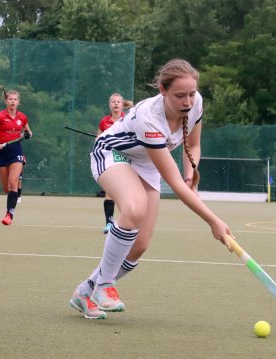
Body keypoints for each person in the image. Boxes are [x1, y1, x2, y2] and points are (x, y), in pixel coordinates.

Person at [69, 59, 234, 320]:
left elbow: (193, 144)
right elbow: (176, 185)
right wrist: (213, 221)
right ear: (162, 90)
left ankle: (85, 291)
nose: (188, 102)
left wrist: (191, 174)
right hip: (114, 153)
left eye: (191, 94)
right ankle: (104, 286)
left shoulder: (195, 103)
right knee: (134, 209)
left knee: (139, 245)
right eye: (180, 95)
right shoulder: (149, 118)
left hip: (147, 162)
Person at [0, 90, 33, 225]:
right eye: (10, 99)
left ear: (18, 102)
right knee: (7, 189)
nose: (12, 101)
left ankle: (9, 214)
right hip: (1, 153)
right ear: (6, 101)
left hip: (16, 151)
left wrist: (27, 135)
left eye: (15, 99)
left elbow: (29, 132)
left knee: (12, 183)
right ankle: (16, 192)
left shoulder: (22, 117)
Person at [96, 93, 134, 234]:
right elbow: (98, 139)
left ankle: (127, 221)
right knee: (110, 191)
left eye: (118, 101)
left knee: (126, 191)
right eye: (113, 101)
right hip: (110, 159)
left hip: (126, 157)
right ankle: (109, 223)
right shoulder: (104, 122)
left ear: (122, 104)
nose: (116, 104)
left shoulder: (127, 119)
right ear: (110, 104)